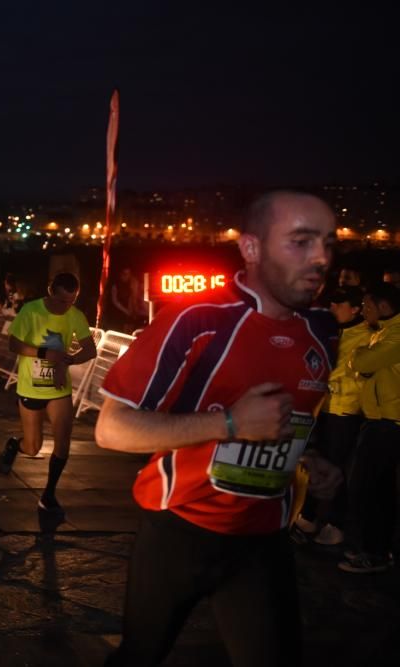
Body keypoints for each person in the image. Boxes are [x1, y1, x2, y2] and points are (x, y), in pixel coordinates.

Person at [95, 191, 340, 667]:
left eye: (328, 243)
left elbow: (284, 424)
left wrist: (308, 459)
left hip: (263, 538)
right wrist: (228, 424)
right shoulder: (197, 320)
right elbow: (112, 429)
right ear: (250, 248)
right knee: (140, 656)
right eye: (301, 242)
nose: (322, 258)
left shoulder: (323, 332)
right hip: (179, 531)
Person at [0, 272, 97, 516]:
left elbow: (90, 349)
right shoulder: (31, 311)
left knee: (63, 444)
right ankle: (14, 445)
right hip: (31, 385)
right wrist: (45, 354)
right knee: (33, 448)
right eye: (62, 301)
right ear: (51, 291)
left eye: (72, 301)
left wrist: (69, 360)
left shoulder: (75, 316)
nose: (66, 307)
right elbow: (14, 344)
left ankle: (49, 493)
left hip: (58, 389)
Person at [295, 286, 368, 546]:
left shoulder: (366, 336)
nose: (333, 308)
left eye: (339, 304)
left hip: (345, 411)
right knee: (312, 463)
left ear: (356, 309)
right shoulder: (329, 329)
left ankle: (335, 524)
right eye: (332, 304)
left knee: (336, 469)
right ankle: (308, 517)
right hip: (321, 409)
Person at [339, 281, 400, 574]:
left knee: (370, 490)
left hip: (389, 424)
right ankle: (377, 550)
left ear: (384, 307)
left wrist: (359, 354)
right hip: (381, 420)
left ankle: (375, 553)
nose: (364, 312)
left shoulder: (396, 334)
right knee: (378, 489)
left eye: (367, 306)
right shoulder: (386, 332)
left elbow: (363, 363)